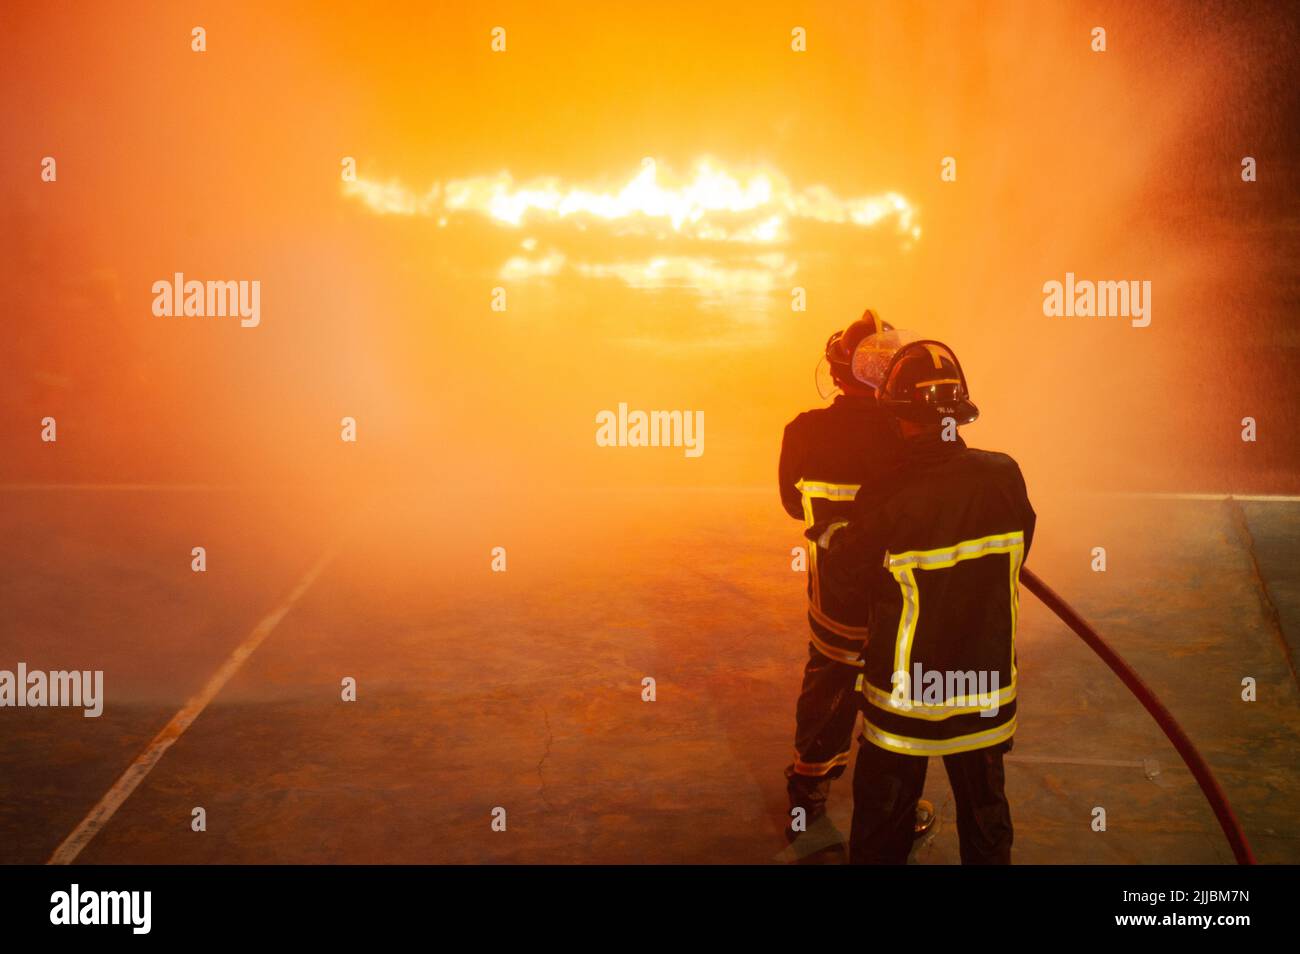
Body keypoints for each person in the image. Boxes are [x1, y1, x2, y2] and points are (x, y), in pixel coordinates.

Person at [814, 333, 1035, 864]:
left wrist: (830, 534)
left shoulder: (889, 494)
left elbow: (854, 574)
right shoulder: (1004, 476)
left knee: (883, 820)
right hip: (983, 685)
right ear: (957, 414)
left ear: (897, 414)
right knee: (985, 814)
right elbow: (1017, 549)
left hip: (906, 693)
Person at [777, 310, 933, 840]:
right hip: (900, 596)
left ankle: (808, 794)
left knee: (829, 681)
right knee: (896, 696)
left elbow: (794, 508)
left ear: (838, 369)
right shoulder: (912, 436)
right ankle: (893, 811)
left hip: (835, 597)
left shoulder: (803, 431)